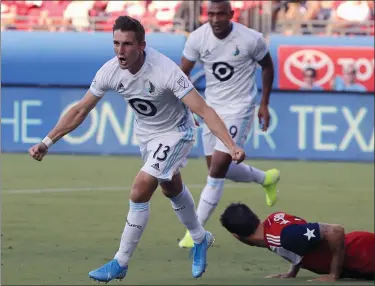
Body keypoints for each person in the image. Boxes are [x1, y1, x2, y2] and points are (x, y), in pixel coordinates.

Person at [28, 16, 246, 283]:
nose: (120, 51)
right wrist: (47, 141)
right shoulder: (109, 71)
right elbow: (81, 109)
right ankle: (200, 238)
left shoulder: (165, 70)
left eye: (127, 44)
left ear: (142, 45)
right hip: (147, 135)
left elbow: (203, 110)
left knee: (141, 187)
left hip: (177, 132)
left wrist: (231, 145)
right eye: (116, 43)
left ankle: (120, 261)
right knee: (171, 186)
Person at [178, 0, 280, 248]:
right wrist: (185, 106)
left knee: (216, 173)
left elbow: (267, 66)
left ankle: (195, 233)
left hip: (239, 109)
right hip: (211, 109)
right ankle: (265, 178)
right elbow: (182, 74)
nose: (214, 19)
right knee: (219, 167)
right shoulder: (197, 38)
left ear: (231, 15)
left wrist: (264, 103)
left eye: (220, 14)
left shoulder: (250, 38)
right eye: (210, 14)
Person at [220, 202, 375, 282]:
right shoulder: (273, 221)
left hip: (363, 255)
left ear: (236, 236)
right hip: (360, 253)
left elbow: (336, 231)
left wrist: (333, 274)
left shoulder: (283, 237)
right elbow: (302, 240)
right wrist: (292, 272)